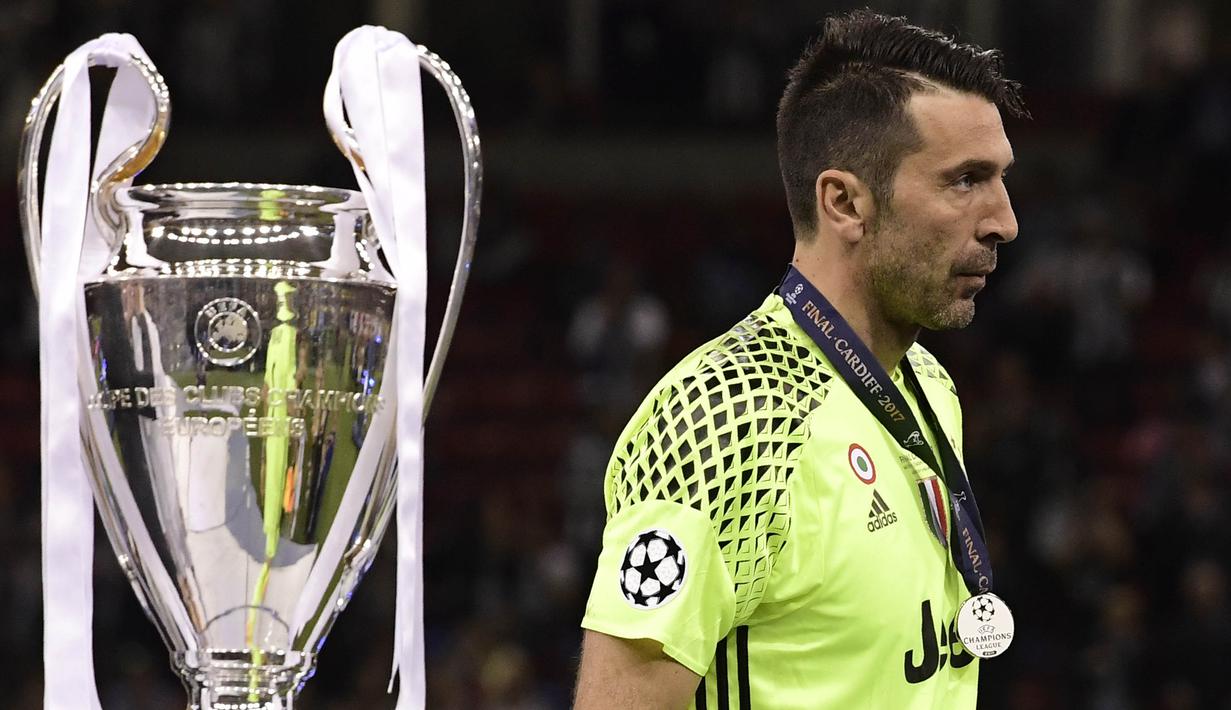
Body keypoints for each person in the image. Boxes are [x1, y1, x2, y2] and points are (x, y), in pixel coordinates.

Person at [572, 10, 1024, 709]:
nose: (1004, 220)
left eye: (998, 178)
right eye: (964, 180)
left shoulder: (928, 387)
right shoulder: (728, 418)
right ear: (844, 202)